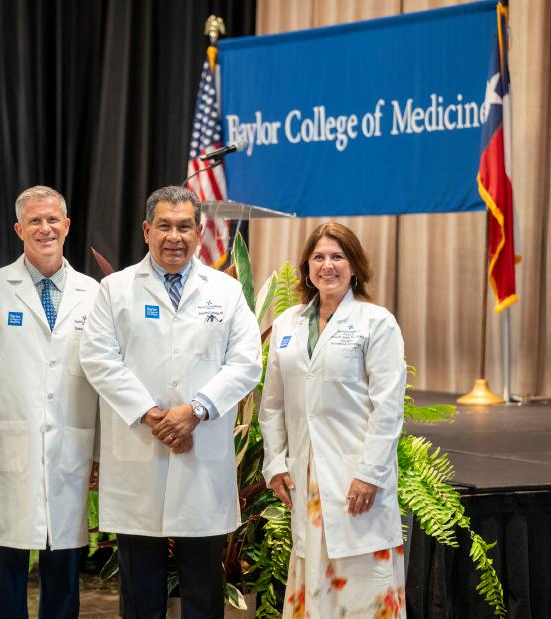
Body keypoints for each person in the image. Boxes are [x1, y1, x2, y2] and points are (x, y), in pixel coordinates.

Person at [79, 185, 262, 619]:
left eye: (184, 227)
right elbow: (98, 358)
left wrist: (195, 411)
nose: (174, 236)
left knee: (203, 589)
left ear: (199, 232)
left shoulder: (226, 291)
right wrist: (153, 416)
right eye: (164, 226)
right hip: (139, 453)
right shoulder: (115, 289)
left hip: (202, 454)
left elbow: (246, 362)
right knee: (140, 590)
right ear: (147, 230)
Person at [0, 186, 100, 619]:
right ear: (19, 230)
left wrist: (99, 452)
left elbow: (104, 380)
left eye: (53, 219)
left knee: (64, 572)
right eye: (34, 221)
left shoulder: (94, 293)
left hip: (71, 449)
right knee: (4, 569)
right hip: (3, 452)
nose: (45, 229)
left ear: (67, 225)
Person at [258, 222, 407, 618]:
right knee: (314, 584)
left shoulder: (376, 322)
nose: (328, 266)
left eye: (338, 257)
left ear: (354, 265)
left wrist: (369, 474)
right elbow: (271, 405)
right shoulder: (287, 324)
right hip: (305, 480)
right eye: (319, 257)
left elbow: (388, 408)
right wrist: (275, 464)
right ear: (307, 267)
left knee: (363, 592)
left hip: (356, 480)